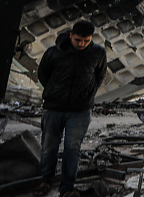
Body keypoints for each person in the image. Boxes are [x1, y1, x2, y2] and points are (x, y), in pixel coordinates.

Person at [35, 20, 107, 197]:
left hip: (81, 110)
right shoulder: (54, 52)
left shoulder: (98, 53)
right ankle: (46, 180)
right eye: (78, 40)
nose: (81, 44)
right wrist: (54, 92)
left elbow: (100, 75)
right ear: (70, 35)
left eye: (86, 40)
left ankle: (67, 188)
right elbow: (43, 75)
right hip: (54, 108)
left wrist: (87, 95)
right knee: (48, 146)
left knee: (72, 148)